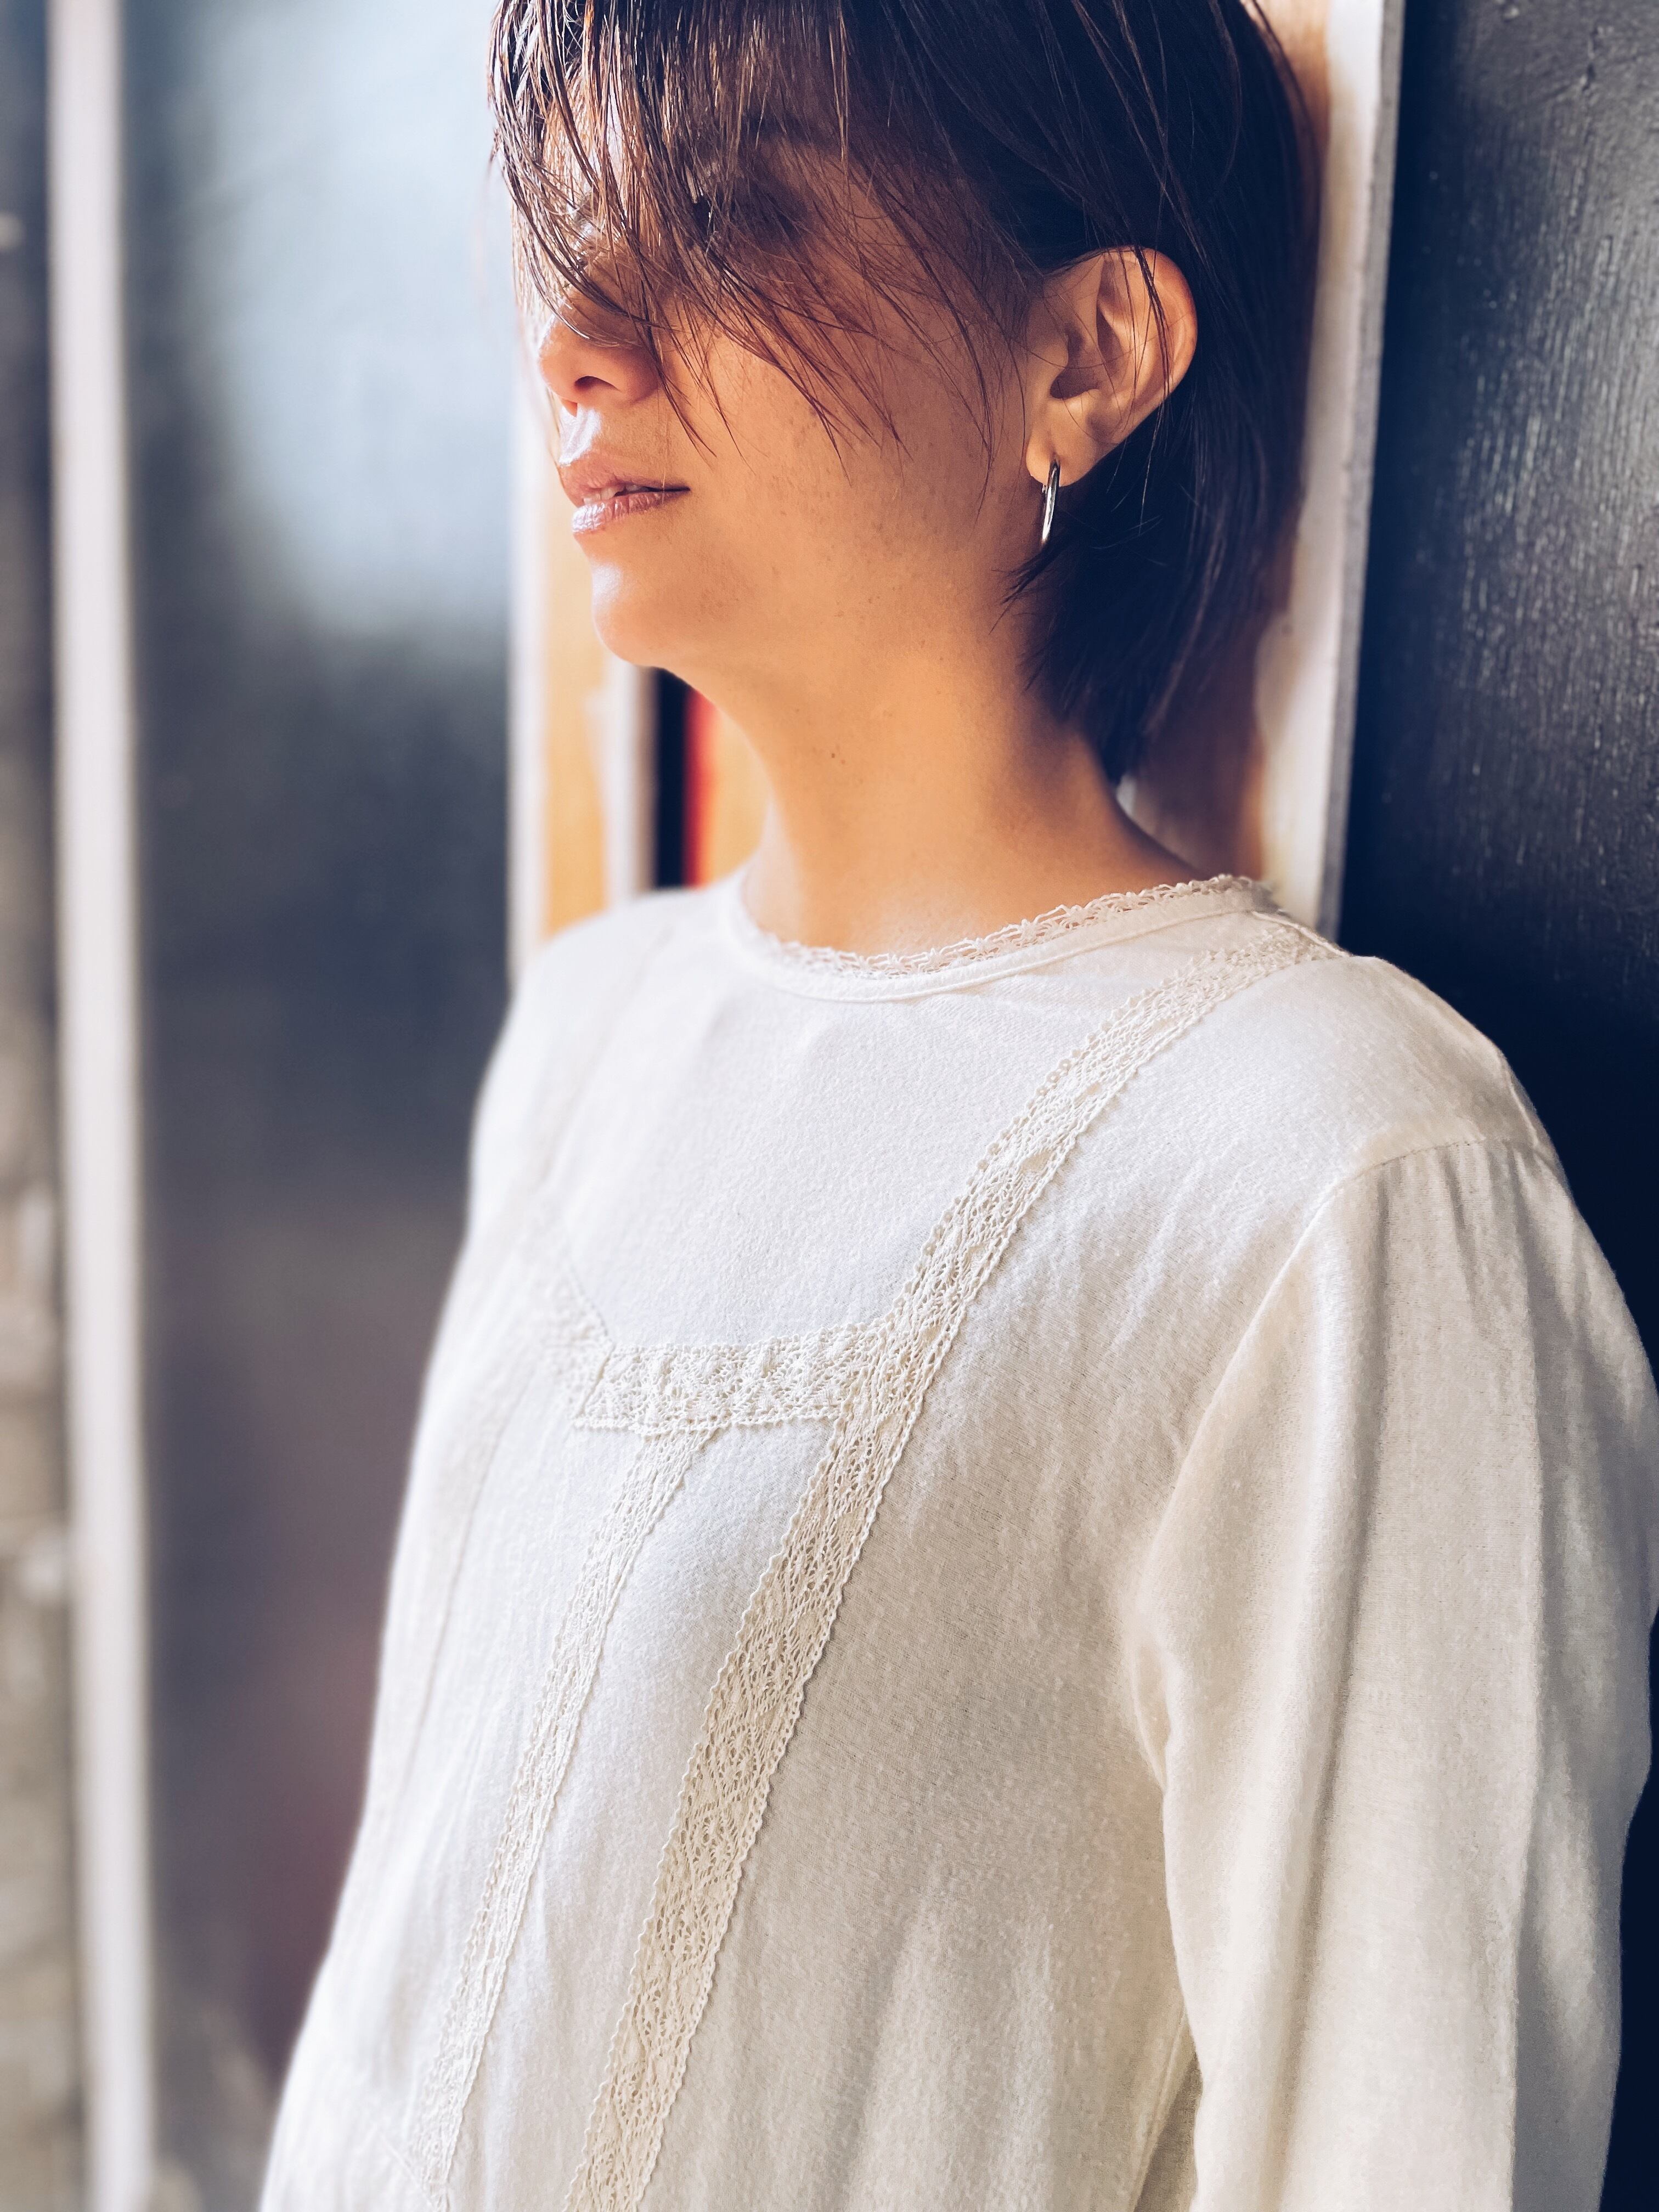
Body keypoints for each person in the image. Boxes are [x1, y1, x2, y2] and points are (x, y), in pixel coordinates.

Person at [261, 1, 1658, 2206]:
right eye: (576, 234)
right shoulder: (595, 1033)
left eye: (727, 221)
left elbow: (1416, 2144)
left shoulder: (1336, 1175)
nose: (581, 342)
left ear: (1088, 354)